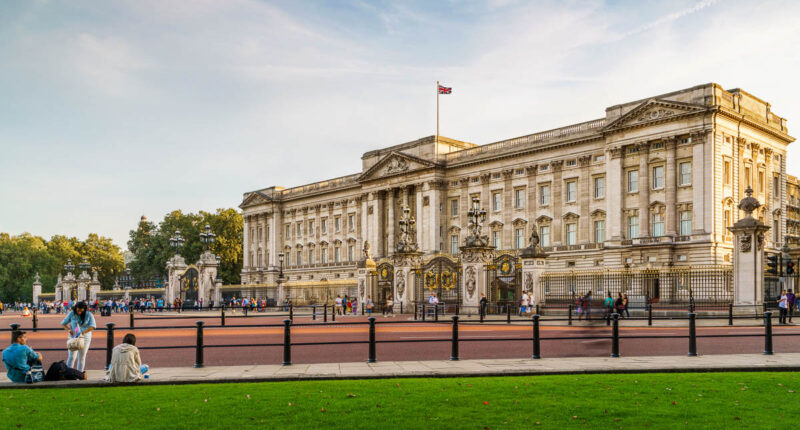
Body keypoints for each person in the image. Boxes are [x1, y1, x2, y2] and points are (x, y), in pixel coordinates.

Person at [61, 301, 96, 372]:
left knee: (82, 357)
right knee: (71, 357)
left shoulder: (89, 315)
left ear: (84, 309)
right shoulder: (71, 313)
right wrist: (69, 330)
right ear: (75, 308)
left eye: (81, 311)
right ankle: (69, 374)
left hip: (85, 338)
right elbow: (63, 323)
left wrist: (83, 332)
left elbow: (93, 326)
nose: (79, 312)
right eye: (77, 310)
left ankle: (79, 374)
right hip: (73, 337)